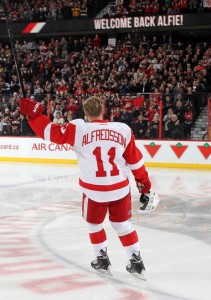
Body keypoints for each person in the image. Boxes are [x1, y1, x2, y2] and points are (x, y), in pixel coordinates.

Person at [20, 96, 152, 280]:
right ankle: (137, 263)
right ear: (103, 110)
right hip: (119, 189)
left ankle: (102, 260)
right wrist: (145, 185)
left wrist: (34, 115)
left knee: (94, 224)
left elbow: (49, 132)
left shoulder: (79, 128)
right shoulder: (123, 130)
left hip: (94, 191)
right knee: (123, 225)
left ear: (86, 113)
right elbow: (135, 161)